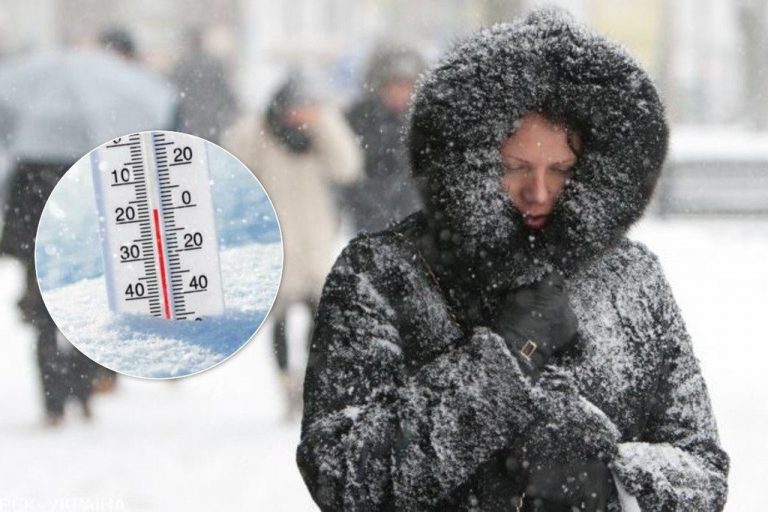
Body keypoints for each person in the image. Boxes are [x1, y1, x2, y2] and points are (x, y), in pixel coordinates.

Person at [296, 9, 728, 511]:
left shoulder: (633, 278)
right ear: (470, 157)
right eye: (514, 167)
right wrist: (501, 364)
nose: (538, 192)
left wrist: (613, 483)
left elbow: (702, 470)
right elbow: (340, 477)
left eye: (562, 169)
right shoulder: (381, 274)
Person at [223, 74, 362, 419]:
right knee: (281, 321)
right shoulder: (262, 134)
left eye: (307, 108)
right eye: (295, 108)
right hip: (277, 241)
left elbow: (348, 168)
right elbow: (233, 163)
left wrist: (325, 124)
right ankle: (287, 386)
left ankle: (309, 386)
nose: (299, 116)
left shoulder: (319, 137)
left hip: (315, 241)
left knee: (319, 322)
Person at [341, 44, 425, 233]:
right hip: (369, 220)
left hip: (416, 221)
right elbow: (346, 170)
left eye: (407, 85)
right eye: (394, 85)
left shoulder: (427, 118)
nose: (400, 93)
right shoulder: (360, 119)